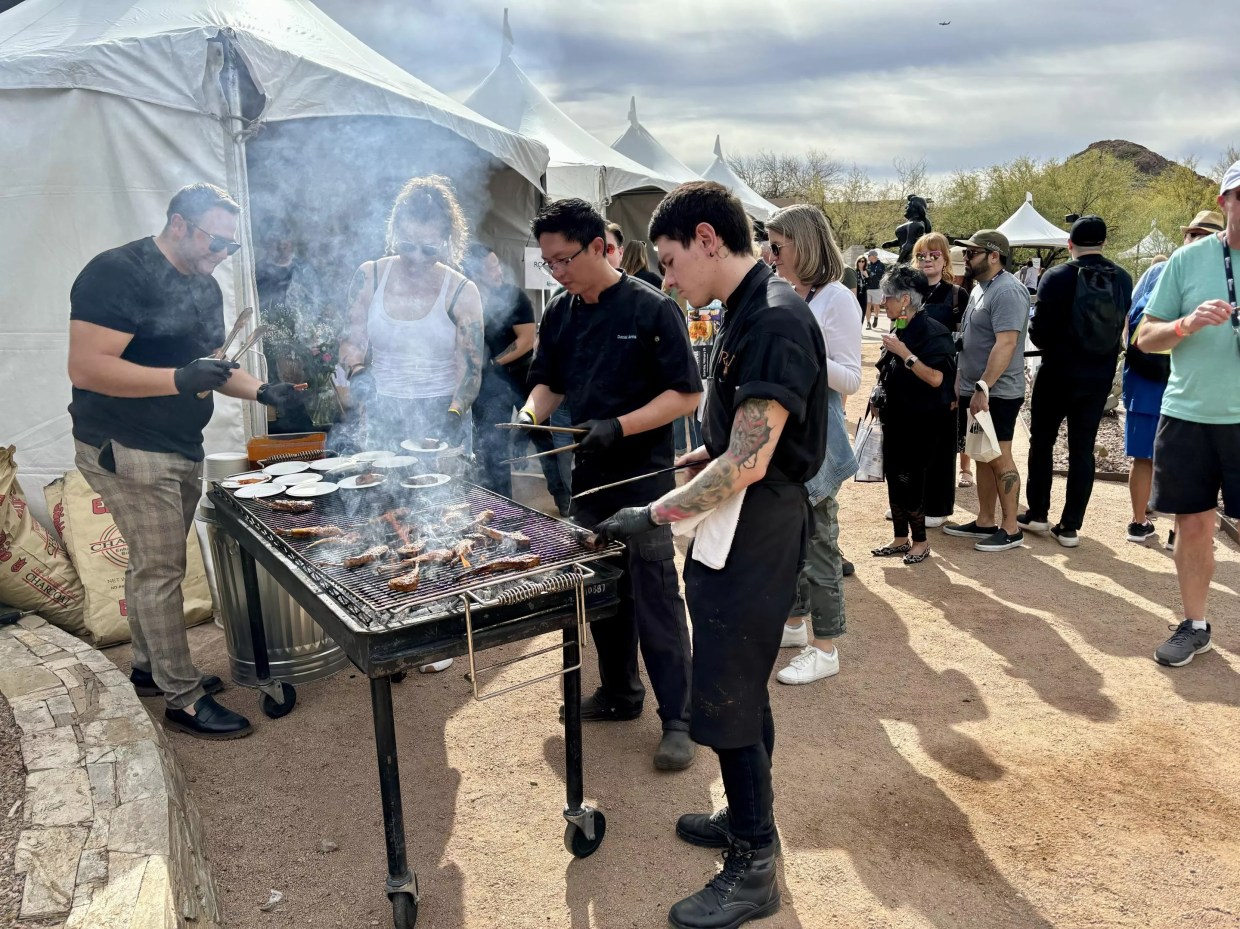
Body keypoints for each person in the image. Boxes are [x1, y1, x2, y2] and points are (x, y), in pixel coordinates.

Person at [593, 181, 828, 929]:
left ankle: (754, 865)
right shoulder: (743, 308)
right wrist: (701, 455)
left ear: (705, 238)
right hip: (736, 519)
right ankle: (745, 816)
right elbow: (739, 438)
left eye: (667, 261)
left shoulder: (776, 318)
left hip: (759, 526)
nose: (664, 279)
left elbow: (751, 461)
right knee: (738, 683)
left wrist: (653, 513)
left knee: (725, 689)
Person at [67, 183, 304, 739]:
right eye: (216, 242)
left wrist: (263, 391)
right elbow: (87, 367)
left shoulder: (204, 285)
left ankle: (149, 668)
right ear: (179, 225)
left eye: (231, 247)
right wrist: (178, 379)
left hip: (177, 443)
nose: (223, 254)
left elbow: (216, 367)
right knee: (161, 569)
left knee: (152, 563)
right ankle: (183, 699)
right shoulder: (118, 273)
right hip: (125, 444)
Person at [523, 198, 703, 770]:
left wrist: (620, 426)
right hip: (590, 479)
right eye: (548, 262)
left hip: (645, 478)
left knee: (654, 597)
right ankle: (620, 693)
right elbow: (548, 382)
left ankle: (680, 718)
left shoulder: (652, 308)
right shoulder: (560, 311)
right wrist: (529, 415)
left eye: (564, 259)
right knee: (602, 593)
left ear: (600, 246)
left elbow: (686, 394)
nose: (557, 272)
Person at [1136, 161, 1240, 667]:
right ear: (1224, 203)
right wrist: (1186, 324)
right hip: (1189, 415)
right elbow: (1144, 338)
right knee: (1193, 524)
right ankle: (1195, 625)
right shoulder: (1188, 259)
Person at [763, 205, 861, 685]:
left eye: (777, 245)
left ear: (802, 244)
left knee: (820, 541)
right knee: (795, 538)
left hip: (817, 439)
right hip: (791, 439)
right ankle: (796, 622)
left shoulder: (837, 297)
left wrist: (804, 351)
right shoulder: (792, 291)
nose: (770, 254)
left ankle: (826, 647)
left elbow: (852, 379)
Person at [339, 175, 484, 453]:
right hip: (383, 409)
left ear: (445, 241)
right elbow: (350, 341)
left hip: (442, 409)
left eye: (429, 249)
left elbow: (470, 369)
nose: (416, 257)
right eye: (407, 246)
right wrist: (357, 372)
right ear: (394, 232)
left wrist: (454, 413)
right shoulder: (370, 276)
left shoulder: (462, 291)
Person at [1020, 216, 1133, 547]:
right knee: (1082, 449)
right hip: (1098, 376)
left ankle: (1038, 513)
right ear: (1104, 243)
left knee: (1042, 442)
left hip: (1058, 372)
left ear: (1070, 244)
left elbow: (1039, 332)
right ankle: (1070, 526)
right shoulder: (1122, 278)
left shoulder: (1057, 276)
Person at [1124, 210, 1224, 546]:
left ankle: (1139, 522)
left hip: (1147, 377)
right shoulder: (1221, 278)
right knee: (1189, 460)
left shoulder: (1158, 271)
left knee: (1143, 455)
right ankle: (1177, 533)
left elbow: (1131, 319)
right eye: (1195, 234)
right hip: (1189, 380)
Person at [942, 230, 1030, 552]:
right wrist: (962, 382)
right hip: (976, 388)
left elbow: (1006, 344)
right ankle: (985, 520)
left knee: (999, 455)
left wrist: (983, 387)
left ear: (994, 256)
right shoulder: (982, 288)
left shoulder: (1007, 291)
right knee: (982, 454)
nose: (965, 258)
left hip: (997, 392)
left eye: (972, 253)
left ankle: (1011, 528)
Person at [869, 266, 957, 564]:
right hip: (895, 416)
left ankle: (920, 542)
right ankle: (900, 538)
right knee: (894, 476)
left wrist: (905, 353)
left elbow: (936, 378)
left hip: (922, 421)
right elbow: (887, 368)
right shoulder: (900, 327)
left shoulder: (933, 331)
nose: (883, 302)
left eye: (888, 297)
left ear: (905, 299)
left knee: (912, 480)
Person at [462, 243, 535, 497]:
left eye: (497, 265)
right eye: (491, 268)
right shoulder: (466, 298)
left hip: (520, 377)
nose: (499, 272)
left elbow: (527, 339)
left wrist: (494, 363)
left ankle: (561, 498)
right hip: (486, 387)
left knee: (539, 438)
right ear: (475, 271)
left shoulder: (514, 296)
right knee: (490, 447)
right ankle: (496, 500)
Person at [914, 232, 970, 527]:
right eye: (921, 255)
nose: (927, 260)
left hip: (944, 378)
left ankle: (937, 507)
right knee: (911, 443)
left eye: (934, 255)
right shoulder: (909, 291)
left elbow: (964, 344)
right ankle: (910, 501)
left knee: (940, 444)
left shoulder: (957, 295)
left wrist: (957, 384)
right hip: (911, 376)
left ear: (945, 258)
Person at [882, 194, 931, 265]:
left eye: (908, 206)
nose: (905, 207)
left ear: (915, 208)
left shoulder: (915, 224)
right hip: (907, 259)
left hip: (909, 260)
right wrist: (892, 243)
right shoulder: (913, 223)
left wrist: (899, 261)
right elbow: (905, 240)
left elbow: (908, 244)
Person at [864, 249, 886, 329]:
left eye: (869, 255)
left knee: (876, 305)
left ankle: (876, 317)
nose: (868, 257)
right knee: (868, 306)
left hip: (877, 288)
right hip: (868, 288)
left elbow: (883, 277)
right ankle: (868, 322)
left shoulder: (881, 265)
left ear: (873, 256)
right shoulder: (867, 265)